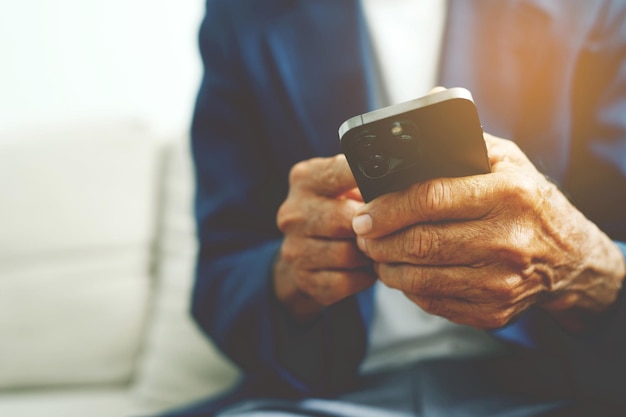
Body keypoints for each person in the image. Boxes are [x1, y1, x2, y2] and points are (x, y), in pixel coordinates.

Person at [162, 0, 626, 416]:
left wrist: (578, 265)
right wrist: (292, 275)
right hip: (326, 393)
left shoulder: (594, 9)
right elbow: (219, 278)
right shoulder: (242, 14)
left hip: (551, 385)